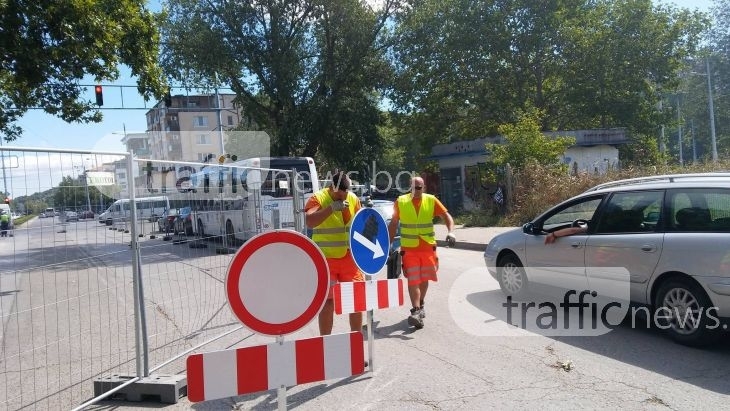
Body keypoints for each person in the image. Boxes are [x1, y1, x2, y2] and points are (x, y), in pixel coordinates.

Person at [388, 176, 454, 329]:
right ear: (409, 187)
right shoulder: (401, 202)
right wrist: (388, 244)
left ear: (423, 188)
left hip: (427, 249)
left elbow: (446, 216)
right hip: (409, 250)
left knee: (425, 279)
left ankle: (421, 303)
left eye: (419, 187)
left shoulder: (431, 200)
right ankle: (415, 311)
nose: (416, 190)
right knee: (413, 280)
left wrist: (451, 232)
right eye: (413, 187)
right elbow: (393, 223)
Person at [305, 170, 364, 335]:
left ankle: (355, 344)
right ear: (331, 187)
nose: (343, 199)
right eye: (339, 196)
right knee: (328, 302)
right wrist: (330, 208)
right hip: (326, 260)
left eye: (345, 195)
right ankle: (326, 344)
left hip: (350, 259)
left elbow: (361, 223)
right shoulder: (318, 198)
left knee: (355, 301)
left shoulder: (353, 199)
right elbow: (309, 221)